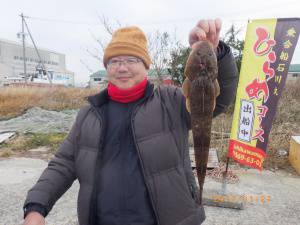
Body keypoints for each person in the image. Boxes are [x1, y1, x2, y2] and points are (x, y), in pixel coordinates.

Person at [23, 19, 238, 225]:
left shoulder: (171, 102)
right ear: (107, 67)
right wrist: (36, 207)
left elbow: (219, 100)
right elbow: (63, 163)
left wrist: (214, 53)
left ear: (146, 66)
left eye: (131, 60)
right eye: (115, 61)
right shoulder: (89, 113)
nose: (122, 68)